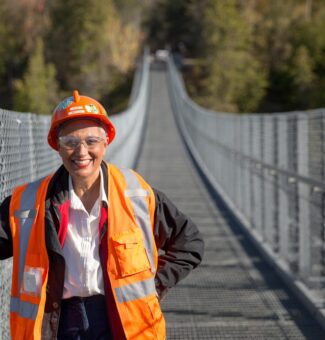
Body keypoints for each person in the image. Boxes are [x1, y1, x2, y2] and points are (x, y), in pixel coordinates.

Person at [0, 90, 204, 339]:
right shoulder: (28, 203)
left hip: (118, 317)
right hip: (59, 320)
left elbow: (190, 243)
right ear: (57, 147)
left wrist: (155, 284)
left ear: (106, 143)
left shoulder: (137, 195)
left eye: (91, 141)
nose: (81, 152)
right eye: (70, 142)